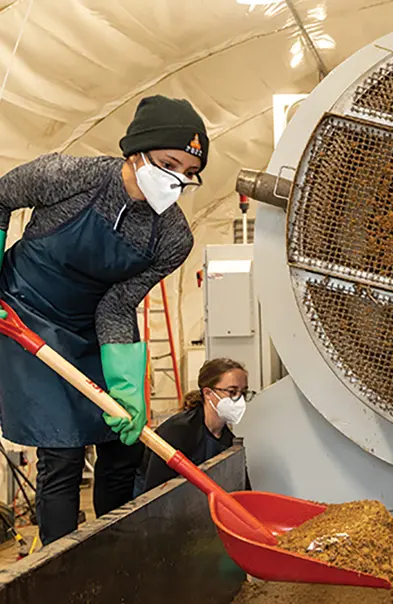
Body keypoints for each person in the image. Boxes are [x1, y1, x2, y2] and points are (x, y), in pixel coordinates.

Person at [0, 95, 208, 544]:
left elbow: (116, 305)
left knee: (122, 444)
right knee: (64, 449)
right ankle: (57, 564)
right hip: (22, 312)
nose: (177, 180)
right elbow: (1, 197)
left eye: (189, 174)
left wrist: (128, 391)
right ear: (137, 152)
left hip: (88, 326)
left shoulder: (173, 237)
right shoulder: (68, 176)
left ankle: (111, 552)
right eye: (169, 164)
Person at [135, 358, 253, 495]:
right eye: (232, 392)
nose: (240, 399)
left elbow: (243, 489)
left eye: (243, 392)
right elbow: (155, 492)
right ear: (208, 393)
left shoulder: (228, 441)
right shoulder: (177, 431)